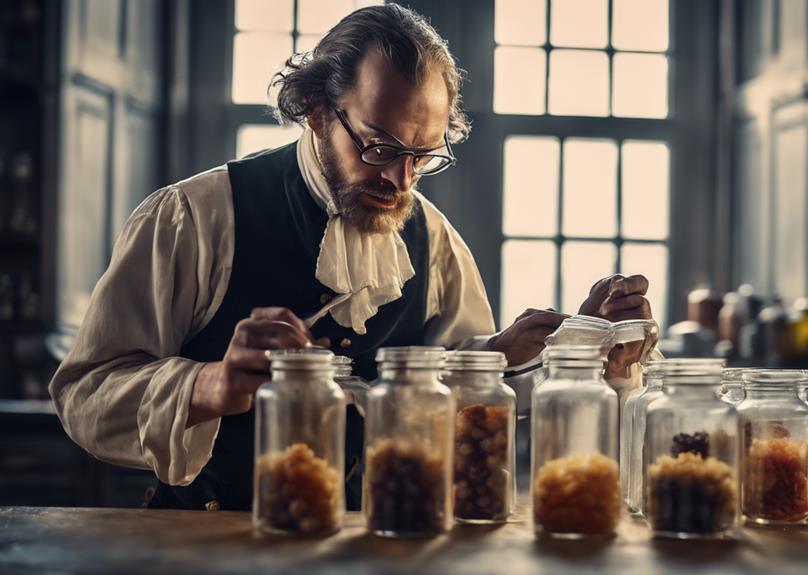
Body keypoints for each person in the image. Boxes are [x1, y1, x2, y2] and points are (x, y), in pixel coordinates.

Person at [48, 4, 653, 511]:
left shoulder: (432, 239)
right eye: (379, 146)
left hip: (384, 546)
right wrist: (209, 384)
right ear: (315, 111)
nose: (400, 178)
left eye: (423, 155)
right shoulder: (193, 217)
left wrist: (564, 349)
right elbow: (86, 394)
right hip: (207, 546)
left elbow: (465, 404)